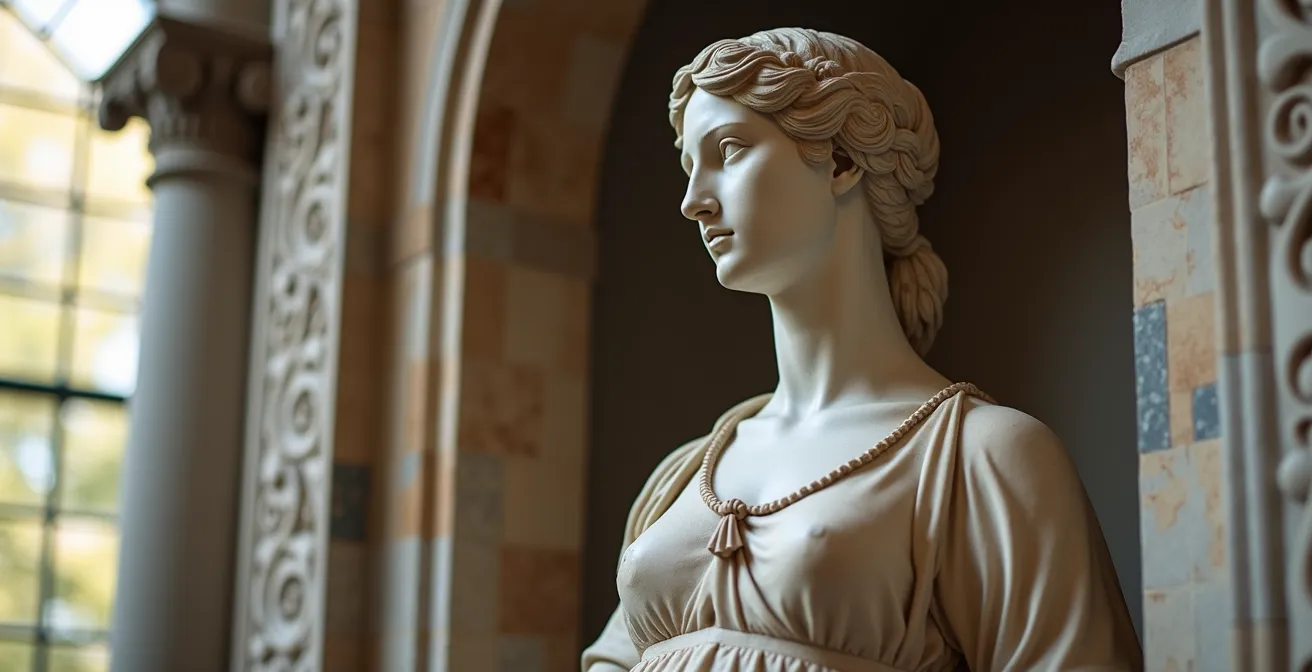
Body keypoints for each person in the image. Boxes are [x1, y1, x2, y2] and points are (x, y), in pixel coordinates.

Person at [582, 27, 1143, 672]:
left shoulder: (982, 458)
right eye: (690, 167)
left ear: (843, 160)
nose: (692, 201)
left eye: (729, 150)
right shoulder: (684, 476)